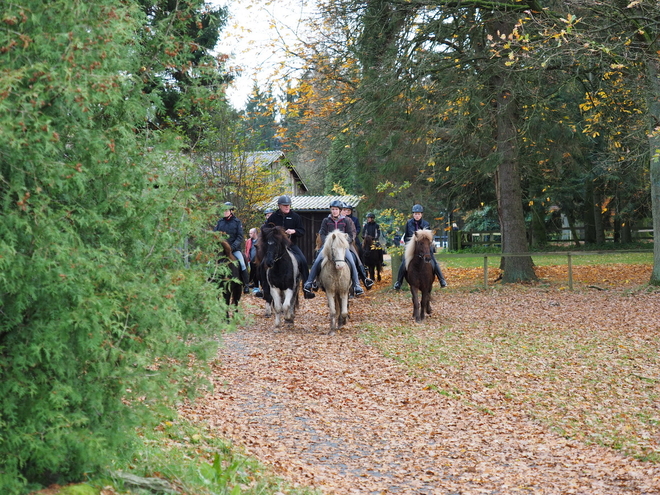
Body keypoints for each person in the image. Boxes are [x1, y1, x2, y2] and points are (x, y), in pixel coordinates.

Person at [303, 200, 373, 298]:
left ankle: (358, 284)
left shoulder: (346, 220)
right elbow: (322, 233)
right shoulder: (326, 221)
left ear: (340, 210)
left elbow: (351, 233)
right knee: (317, 260)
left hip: (343, 246)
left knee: (353, 261)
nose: (334, 211)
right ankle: (310, 282)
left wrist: (345, 242)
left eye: (336, 209)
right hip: (329, 246)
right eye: (333, 209)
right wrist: (326, 242)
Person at [264, 195, 311, 297]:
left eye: (288, 205)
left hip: (291, 245)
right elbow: (267, 230)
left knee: (303, 261)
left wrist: (294, 231)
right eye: (285, 205)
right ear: (279, 206)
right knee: (263, 262)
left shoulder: (295, 217)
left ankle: (307, 288)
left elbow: (302, 231)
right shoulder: (273, 217)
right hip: (276, 246)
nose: (287, 207)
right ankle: (264, 289)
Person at [393, 204, 447, 290]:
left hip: (424, 246)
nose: (417, 215)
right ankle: (398, 282)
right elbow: (407, 236)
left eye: (418, 214)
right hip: (413, 247)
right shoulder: (409, 223)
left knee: (433, 260)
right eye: (415, 214)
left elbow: (429, 237)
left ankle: (441, 279)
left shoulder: (426, 224)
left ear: (421, 214)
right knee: (404, 262)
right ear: (413, 214)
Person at [213, 201, 250, 293]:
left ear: (231, 211)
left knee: (242, 264)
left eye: (226, 210)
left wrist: (232, 247)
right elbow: (215, 234)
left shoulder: (237, 222)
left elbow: (240, 236)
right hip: (221, 249)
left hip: (234, 249)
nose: (225, 212)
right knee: (210, 262)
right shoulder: (219, 222)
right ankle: (210, 282)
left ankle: (246, 285)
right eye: (223, 210)